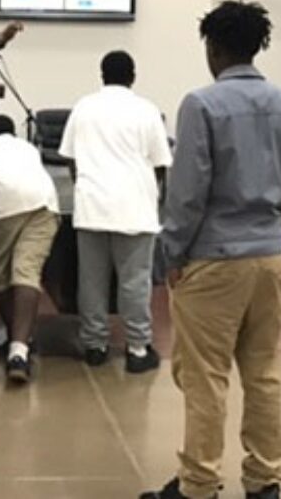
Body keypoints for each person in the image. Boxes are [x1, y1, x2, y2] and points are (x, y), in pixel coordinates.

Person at [142, 0, 281, 499]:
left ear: (213, 48)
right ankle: (265, 480)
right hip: (271, 257)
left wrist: (172, 254)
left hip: (214, 260)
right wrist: (264, 204)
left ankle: (199, 483)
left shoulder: (202, 104)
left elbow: (188, 192)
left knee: (205, 379)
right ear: (257, 46)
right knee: (264, 374)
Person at [58, 50, 173, 373]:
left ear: (102, 74)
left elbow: (70, 157)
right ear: (133, 75)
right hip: (135, 208)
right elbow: (160, 164)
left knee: (92, 282)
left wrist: (84, 184)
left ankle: (94, 346)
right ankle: (137, 348)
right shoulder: (147, 110)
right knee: (134, 282)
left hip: (92, 205)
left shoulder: (83, 107)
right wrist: (151, 195)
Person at [0, 115, 60, 384]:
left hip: (3, 208)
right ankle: (19, 349)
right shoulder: (29, 148)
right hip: (44, 206)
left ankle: (18, 339)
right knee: (27, 272)